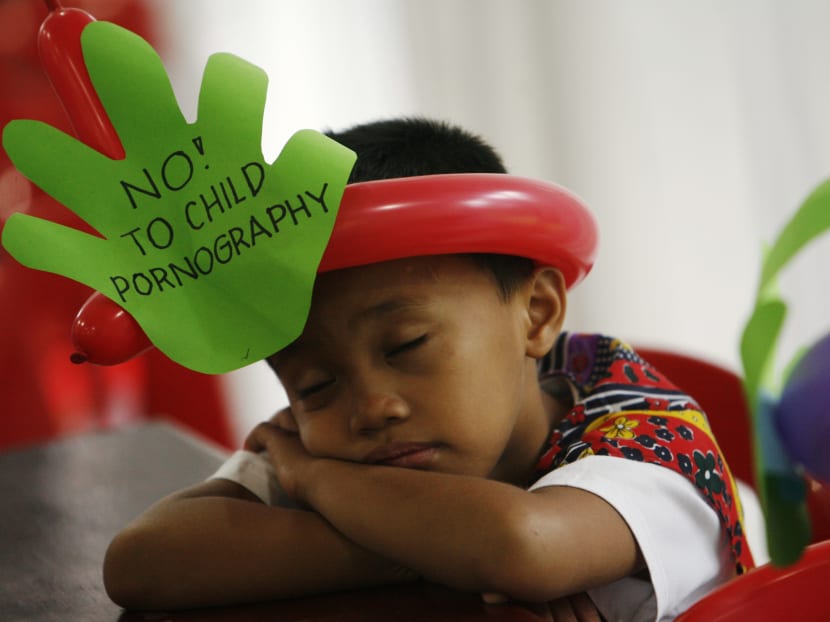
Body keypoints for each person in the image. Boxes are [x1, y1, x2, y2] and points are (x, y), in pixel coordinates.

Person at [103, 117, 756, 621]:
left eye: (406, 345)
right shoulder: (336, 450)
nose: (370, 407)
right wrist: (440, 550)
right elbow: (143, 561)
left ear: (535, 312)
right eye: (315, 385)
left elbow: (520, 545)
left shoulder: (653, 449)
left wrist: (312, 481)